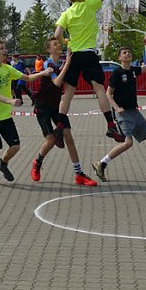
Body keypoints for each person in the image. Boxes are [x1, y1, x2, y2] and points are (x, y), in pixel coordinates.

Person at [55, 0, 128, 142]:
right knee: (99, 89)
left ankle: (60, 125)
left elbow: (56, 35)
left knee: (68, 93)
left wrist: (66, 44)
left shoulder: (66, 13)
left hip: (73, 56)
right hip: (88, 54)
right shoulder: (88, 5)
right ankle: (110, 125)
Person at [0, 39, 50, 186]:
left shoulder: (8, 69)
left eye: (5, 48)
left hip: (5, 117)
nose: (5, 51)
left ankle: (3, 164)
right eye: (1, 49)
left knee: (15, 146)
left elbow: (28, 78)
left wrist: (43, 72)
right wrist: (10, 101)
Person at [92, 38, 146, 182]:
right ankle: (101, 163)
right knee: (128, 143)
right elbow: (108, 94)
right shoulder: (117, 73)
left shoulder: (133, 71)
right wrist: (116, 108)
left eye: (129, 53)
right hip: (123, 113)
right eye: (124, 53)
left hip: (135, 112)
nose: (127, 54)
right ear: (119, 57)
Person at [31, 38, 97, 186]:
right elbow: (57, 82)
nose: (58, 45)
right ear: (49, 50)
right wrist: (67, 63)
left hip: (56, 107)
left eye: (59, 43)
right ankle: (37, 162)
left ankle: (79, 174)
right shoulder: (48, 64)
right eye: (55, 44)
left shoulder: (60, 64)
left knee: (68, 136)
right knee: (51, 140)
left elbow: (66, 83)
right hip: (42, 107)